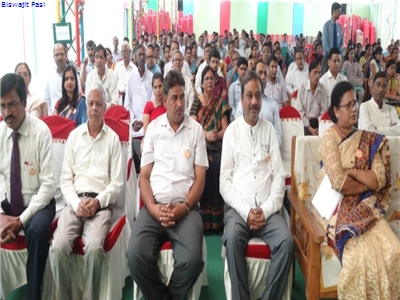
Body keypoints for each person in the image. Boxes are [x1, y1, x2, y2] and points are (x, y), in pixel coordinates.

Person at [127, 70, 208, 300]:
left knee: (192, 260)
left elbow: (200, 180)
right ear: (165, 101)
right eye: (174, 98)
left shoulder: (196, 131)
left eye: (182, 97)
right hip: (155, 209)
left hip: (186, 209)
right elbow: (144, 177)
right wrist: (151, 207)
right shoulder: (153, 129)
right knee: (134, 256)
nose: (180, 103)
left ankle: (170, 296)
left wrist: (184, 207)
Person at [316, 80, 400, 299]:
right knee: (357, 260)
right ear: (336, 111)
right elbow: (339, 182)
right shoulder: (329, 138)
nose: (354, 109)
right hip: (337, 210)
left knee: (394, 250)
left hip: (368, 208)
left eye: (355, 103)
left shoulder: (366, 139)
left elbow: (379, 179)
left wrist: (353, 172)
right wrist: (365, 184)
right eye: (348, 105)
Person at [220, 70, 293, 300]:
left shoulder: (269, 130)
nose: (254, 101)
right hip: (239, 212)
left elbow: (278, 177)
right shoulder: (231, 132)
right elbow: (224, 181)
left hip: (267, 211)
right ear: (240, 99)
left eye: (258, 96)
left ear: (262, 98)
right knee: (231, 240)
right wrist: (246, 211)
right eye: (249, 96)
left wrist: (267, 209)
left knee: (287, 242)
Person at [49, 84, 123, 300]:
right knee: (59, 245)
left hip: (100, 207)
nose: (93, 108)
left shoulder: (113, 140)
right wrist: (75, 203)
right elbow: (66, 179)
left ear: (105, 108)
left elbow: (116, 183)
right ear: (86, 106)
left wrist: (97, 203)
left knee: (92, 247)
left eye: (98, 104)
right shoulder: (74, 137)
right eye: (90, 103)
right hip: (74, 205)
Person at [0, 73, 56, 300]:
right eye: (2, 106)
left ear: (24, 102)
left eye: (12, 105)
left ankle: (34, 295)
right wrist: (2, 214)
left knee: (37, 230)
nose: (6, 113)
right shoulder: (1, 133)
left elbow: (48, 186)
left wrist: (21, 220)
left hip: (38, 203)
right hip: (9, 203)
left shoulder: (41, 132)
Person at [189, 66, 231, 230]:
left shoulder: (220, 104)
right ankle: (205, 224)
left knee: (218, 171)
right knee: (203, 176)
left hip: (218, 147)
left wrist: (217, 135)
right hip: (201, 147)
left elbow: (226, 128)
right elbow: (193, 125)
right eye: (206, 78)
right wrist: (206, 135)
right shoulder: (196, 102)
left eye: (212, 79)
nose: (209, 81)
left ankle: (218, 223)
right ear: (201, 82)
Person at [359, 72, 399, 136]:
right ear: (372, 87)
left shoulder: (391, 109)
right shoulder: (365, 107)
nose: (381, 89)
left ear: (386, 89)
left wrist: (378, 129)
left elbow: (399, 130)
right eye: (378, 85)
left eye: (384, 86)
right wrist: (390, 129)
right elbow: (368, 132)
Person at [297, 60, 329, 136]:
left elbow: (324, 111)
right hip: (305, 124)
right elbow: (300, 112)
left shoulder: (322, 89)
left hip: (319, 123)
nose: (317, 76)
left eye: (319, 72)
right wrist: (309, 128)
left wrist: (318, 127)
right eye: (315, 72)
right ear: (309, 74)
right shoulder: (302, 89)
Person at [85, 44, 119, 109]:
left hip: (110, 113)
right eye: (97, 57)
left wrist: (101, 107)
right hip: (94, 112)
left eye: (101, 57)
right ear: (94, 59)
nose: (99, 61)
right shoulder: (90, 77)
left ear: (106, 60)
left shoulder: (113, 76)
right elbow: (88, 101)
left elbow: (115, 101)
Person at [322, 2, 344, 74]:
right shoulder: (326, 26)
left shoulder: (339, 27)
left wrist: (337, 54)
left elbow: (341, 43)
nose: (340, 13)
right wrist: (331, 56)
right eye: (338, 11)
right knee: (325, 79)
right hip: (327, 57)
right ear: (333, 11)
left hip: (337, 58)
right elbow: (325, 43)